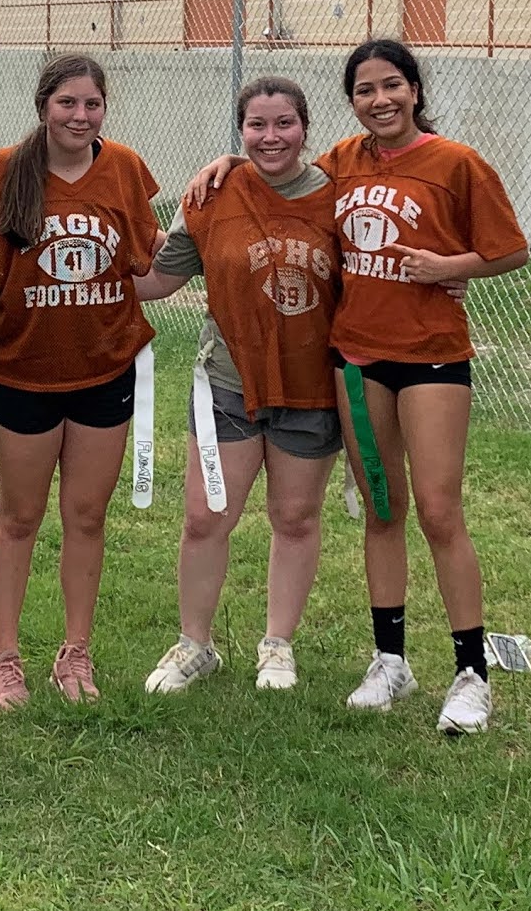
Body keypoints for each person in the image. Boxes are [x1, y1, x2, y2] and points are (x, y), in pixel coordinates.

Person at [190, 38, 529, 734]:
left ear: (414, 89)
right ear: (351, 102)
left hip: (430, 354)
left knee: (438, 509)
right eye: (366, 90)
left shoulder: (456, 163)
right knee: (381, 506)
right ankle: (390, 659)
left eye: (392, 86)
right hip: (355, 356)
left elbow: (511, 251)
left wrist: (448, 265)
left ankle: (471, 672)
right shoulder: (343, 162)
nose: (380, 100)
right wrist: (226, 161)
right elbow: (280, 174)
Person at [133, 77, 342, 694]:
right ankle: (195, 644)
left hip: (311, 385)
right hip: (228, 380)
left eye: (283, 124)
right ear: (240, 130)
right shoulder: (211, 196)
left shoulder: (337, 195)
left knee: (296, 517)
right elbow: (154, 282)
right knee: (204, 517)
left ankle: (277, 644)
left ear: (305, 127)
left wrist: (449, 278)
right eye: (256, 125)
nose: (270, 137)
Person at [0, 54, 162, 707]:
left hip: (102, 366)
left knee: (87, 515)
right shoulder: (3, 171)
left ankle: (75, 653)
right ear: (43, 106)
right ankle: (5, 658)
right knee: (20, 515)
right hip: (22, 368)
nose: (80, 116)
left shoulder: (124, 169)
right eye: (68, 104)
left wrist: (211, 238)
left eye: (92, 104)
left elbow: (150, 269)